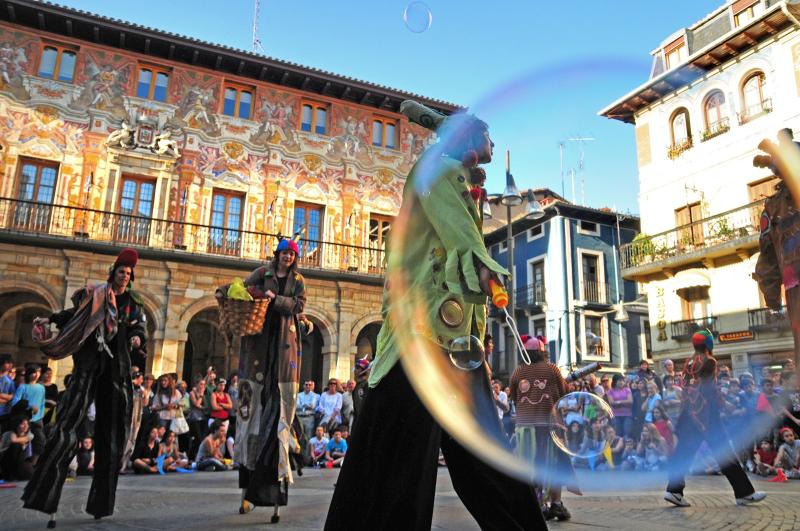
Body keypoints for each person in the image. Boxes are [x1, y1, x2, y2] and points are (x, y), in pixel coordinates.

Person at [326, 101, 544, 530]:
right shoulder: (439, 173)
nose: (494, 142)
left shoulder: (450, 174)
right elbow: (459, 237)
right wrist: (484, 268)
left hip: (454, 343)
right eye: (487, 134)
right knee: (407, 459)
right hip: (425, 339)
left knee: (455, 459)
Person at [23, 248, 147, 525]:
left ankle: (101, 504)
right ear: (113, 273)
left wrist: (137, 339)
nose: (124, 276)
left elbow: (141, 328)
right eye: (121, 271)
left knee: (111, 435)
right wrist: (51, 318)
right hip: (90, 366)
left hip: (116, 372)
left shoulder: (133, 303)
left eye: (128, 273)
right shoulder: (97, 294)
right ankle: (44, 496)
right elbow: (76, 315)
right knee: (66, 425)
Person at [222, 237, 306, 522]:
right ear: (277, 255)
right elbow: (243, 291)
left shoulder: (298, 280)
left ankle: (272, 495)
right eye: (284, 254)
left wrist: (277, 300)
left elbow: (299, 306)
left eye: (292, 255)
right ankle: (247, 492)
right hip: (257, 350)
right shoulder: (262, 273)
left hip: (284, 356)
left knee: (278, 422)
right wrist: (260, 294)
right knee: (248, 422)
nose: (287, 258)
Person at [664, 331, 765, 508]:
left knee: (684, 453)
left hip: (689, 414)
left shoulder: (688, 362)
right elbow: (710, 388)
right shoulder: (709, 361)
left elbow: (686, 387)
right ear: (709, 344)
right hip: (706, 416)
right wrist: (724, 405)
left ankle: (674, 490)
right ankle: (744, 493)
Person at [510, 335, 575, 521]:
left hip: (525, 427)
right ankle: (556, 504)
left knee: (531, 466)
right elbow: (564, 393)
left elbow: (514, 398)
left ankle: (538, 505)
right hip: (549, 426)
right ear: (542, 351)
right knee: (555, 465)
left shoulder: (518, 372)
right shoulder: (552, 370)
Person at [753, 128, 800, 373]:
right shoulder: (772, 208)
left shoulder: (772, 208)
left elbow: (767, 260)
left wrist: (772, 297)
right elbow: (768, 258)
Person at [11, 364, 46, 464]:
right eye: (33, 372)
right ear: (28, 374)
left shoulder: (41, 388)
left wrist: (40, 414)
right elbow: (15, 402)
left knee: (40, 440)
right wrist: (30, 405)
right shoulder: (23, 387)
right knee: (24, 442)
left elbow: (42, 403)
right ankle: (20, 464)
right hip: (25, 419)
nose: (36, 375)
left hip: (38, 419)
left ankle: (32, 464)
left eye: (38, 372)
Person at [0, 416, 35, 480]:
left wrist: (13, 435)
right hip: (5, 459)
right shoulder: (7, 434)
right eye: (23, 424)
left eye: (27, 424)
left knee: (17, 445)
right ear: (17, 425)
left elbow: (14, 440)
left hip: (21, 462)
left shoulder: (30, 435)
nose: (26, 426)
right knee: (15, 446)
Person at [607, 374, 633, 438]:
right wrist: (625, 402)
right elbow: (611, 403)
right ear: (615, 381)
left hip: (627, 415)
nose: (622, 382)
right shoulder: (610, 391)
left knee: (627, 434)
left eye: (623, 380)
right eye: (620, 380)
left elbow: (630, 401)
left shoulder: (627, 390)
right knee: (618, 434)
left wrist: (619, 402)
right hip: (615, 416)